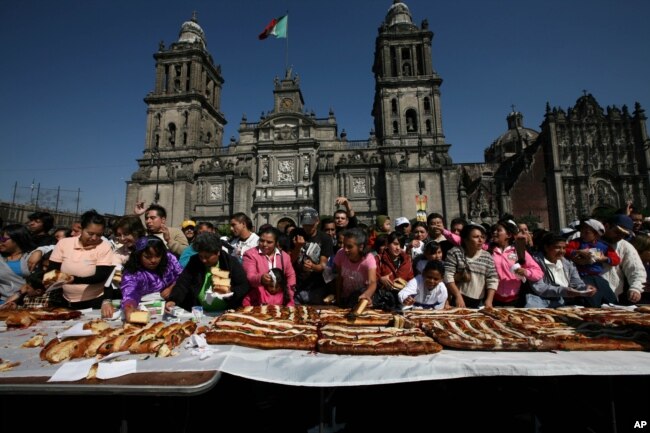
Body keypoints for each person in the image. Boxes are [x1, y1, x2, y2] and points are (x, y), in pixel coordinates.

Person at [46, 210, 116, 317]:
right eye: (90, 233)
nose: (94, 238)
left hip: (93, 301)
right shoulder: (64, 243)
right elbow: (52, 270)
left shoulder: (104, 246)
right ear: (82, 229)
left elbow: (101, 275)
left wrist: (75, 279)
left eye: (99, 235)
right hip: (64, 300)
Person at [166, 232, 249, 313]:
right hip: (199, 311)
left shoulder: (230, 262)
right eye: (201, 256)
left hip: (226, 311)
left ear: (218, 252)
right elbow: (183, 283)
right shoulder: (195, 261)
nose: (204, 260)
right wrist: (173, 300)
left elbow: (243, 285)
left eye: (207, 257)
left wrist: (230, 292)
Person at [120, 236, 182, 321]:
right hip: (145, 310)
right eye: (147, 257)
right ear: (138, 255)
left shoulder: (169, 259)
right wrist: (129, 306)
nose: (153, 260)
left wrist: (172, 287)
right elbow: (129, 292)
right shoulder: (132, 272)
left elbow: (182, 276)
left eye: (157, 256)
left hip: (173, 307)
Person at [527, 233, 598, 308]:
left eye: (564, 248)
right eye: (557, 247)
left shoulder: (568, 264)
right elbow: (540, 288)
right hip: (544, 303)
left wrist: (585, 288)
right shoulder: (535, 263)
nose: (562, 251)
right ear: (546, 248)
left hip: (566, 302)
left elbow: (576, 284)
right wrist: (563, 291)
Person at [488, 219, 543, 307]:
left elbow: (538, 273)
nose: (494, 232)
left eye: (498, 230)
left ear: (509, 235)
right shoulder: (488, 250)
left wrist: (525, 272)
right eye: (494, 230)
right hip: (492, 299)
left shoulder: (519, 251)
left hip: (516, 301)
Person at [444, 223, 498, 308]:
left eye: (482, 237)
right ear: (466, 239)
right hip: (457, 298)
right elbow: (448, 276)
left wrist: (489, 300)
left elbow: (492, 278)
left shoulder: (487, 256)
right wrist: (458, 296)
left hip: (478, 301)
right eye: (476, 237)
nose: (480, 240)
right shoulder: (454, 252)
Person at [242, 227, 296, 306]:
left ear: (276, 243)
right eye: (261, 240)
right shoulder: (250, 254)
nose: (264, 244)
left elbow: (290, 276)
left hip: (280, 301)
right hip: (258, 300)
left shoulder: (284, 256)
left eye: (269, 242)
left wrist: (289, 294)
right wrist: (261, 279)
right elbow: (250, 276)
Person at [601, 214, 647, 304]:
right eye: (617, 232)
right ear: (607, 226)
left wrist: (636, 288)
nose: (620, 236)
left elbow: (636, 270)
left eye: (624, 234)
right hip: (582, 293)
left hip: (610, 296)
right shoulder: (582, 239)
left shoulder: (625, 246)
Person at [291, 208, 334, 305]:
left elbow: (323, 265)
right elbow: (290, 261)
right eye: (305, 225)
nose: (308, 227)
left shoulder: (325, 238)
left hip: (316, 287)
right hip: (297, 286)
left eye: (311, 224)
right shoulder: (295, 234)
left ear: (317, 221)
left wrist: (313, 267)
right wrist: (298, 247)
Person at [333, 228, 377, 307]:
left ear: (360, 247)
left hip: (361, 300)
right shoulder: (340, 253)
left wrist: (367, 295)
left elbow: (373, 282)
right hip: (345, 298)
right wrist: (338, 300)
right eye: (344, 245)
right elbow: (339, 278)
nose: (345, 249)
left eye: (349, 247)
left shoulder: (368, 259)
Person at [0, 224, 38, 302]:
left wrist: (40, 251)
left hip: (28, 304)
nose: (0, 241)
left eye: (3, 239)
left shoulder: (31, 257)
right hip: (4, 303)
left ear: (17, 239)